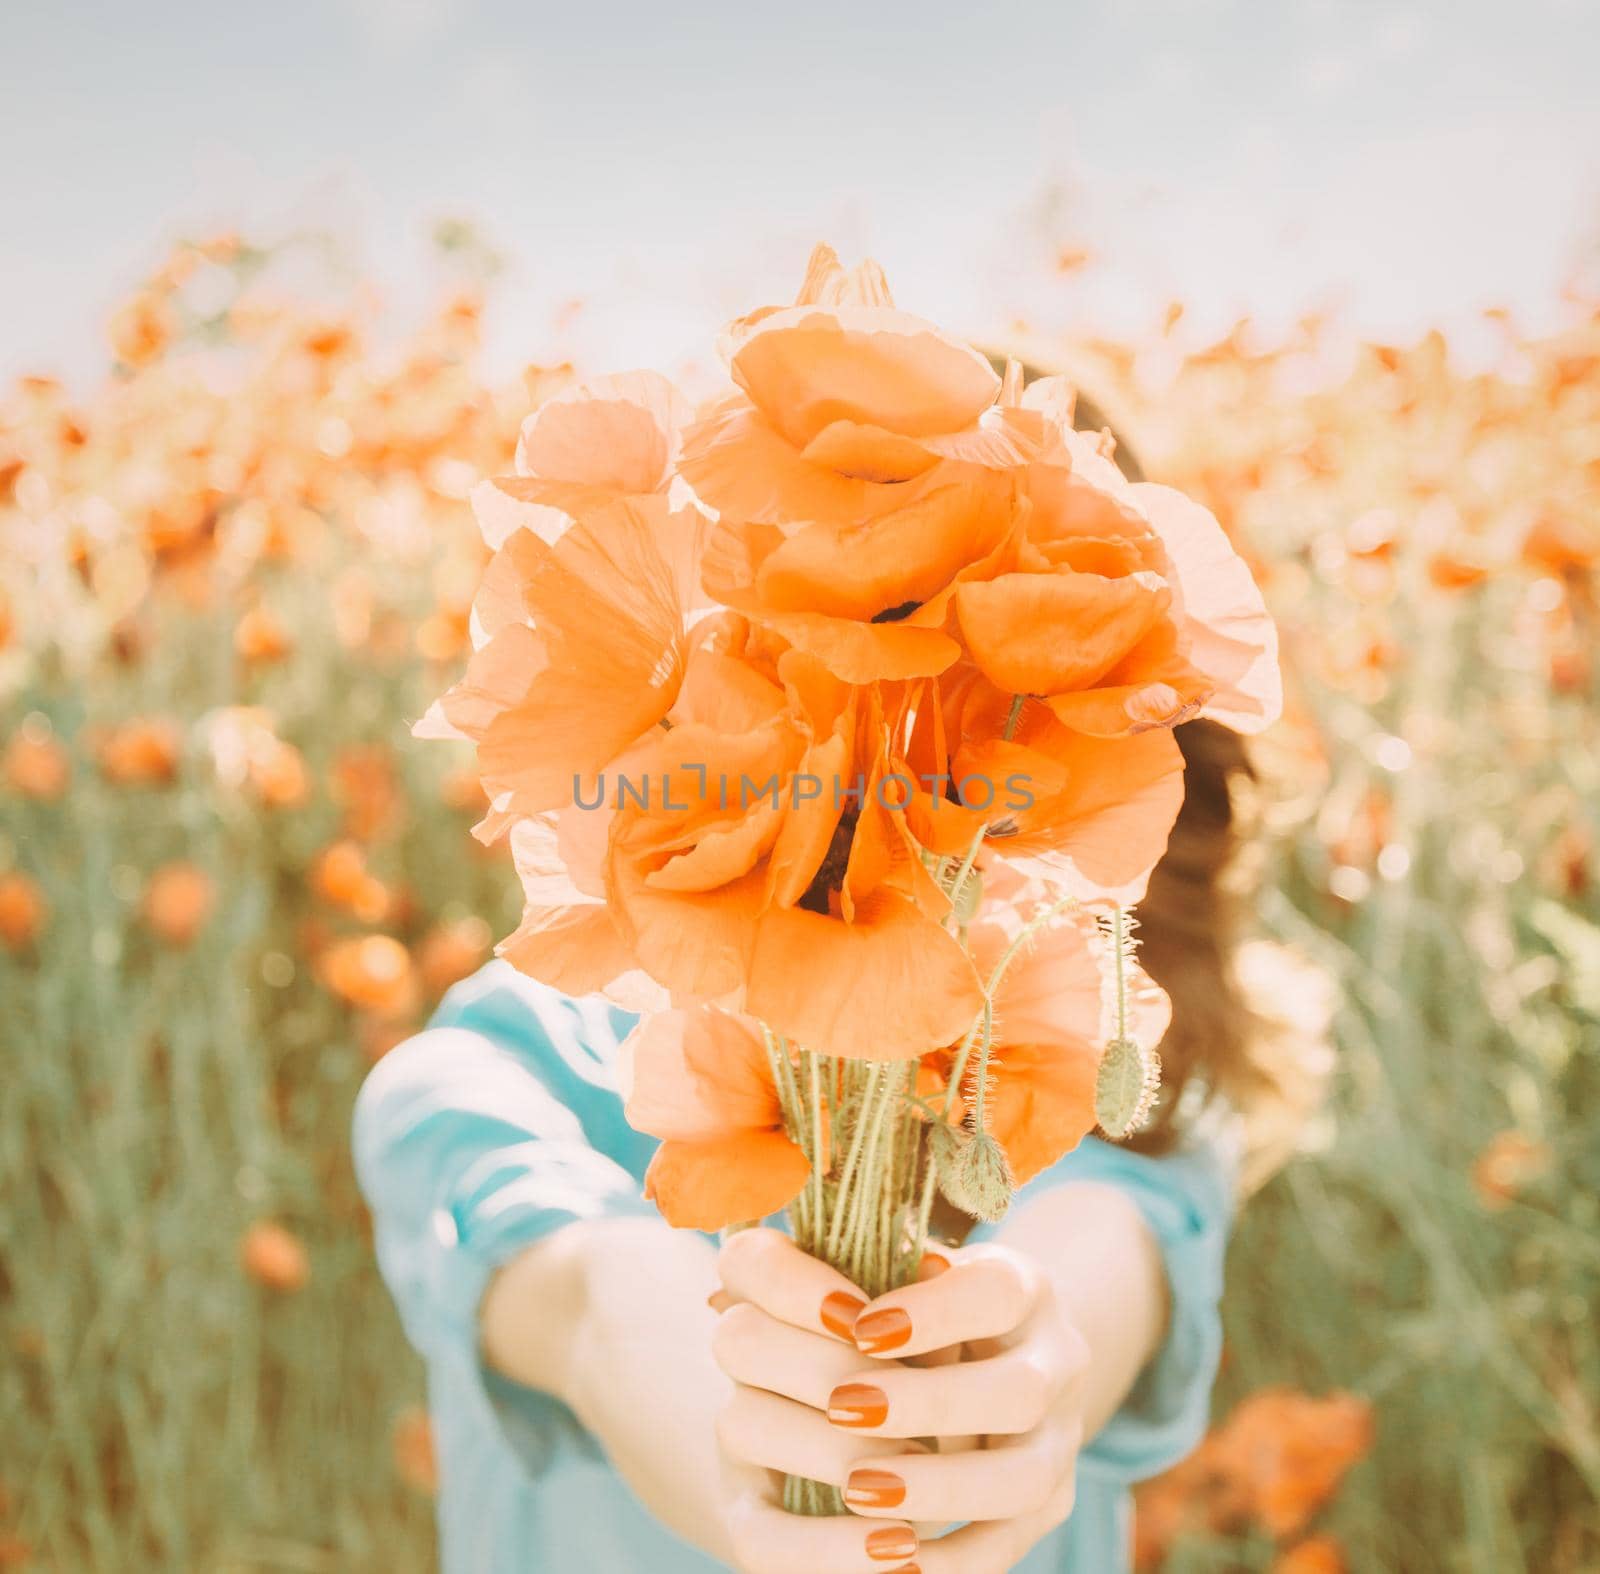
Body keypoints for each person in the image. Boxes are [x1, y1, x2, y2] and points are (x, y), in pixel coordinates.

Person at [355, 699, 1325, 1572]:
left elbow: (1098, 1253)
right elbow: (579, 1292)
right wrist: (719, 1422)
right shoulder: (536, 1042)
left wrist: (1001, 1387)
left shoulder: (1107, 1048)